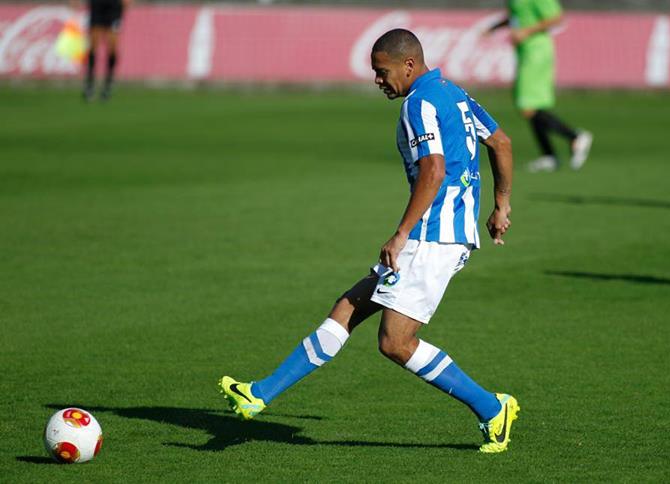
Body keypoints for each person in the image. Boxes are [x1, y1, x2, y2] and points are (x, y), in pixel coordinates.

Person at [218, 29, 519, 453]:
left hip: (432, 236)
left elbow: (433, 170)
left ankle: (491, 408)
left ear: (408, 65)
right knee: (349, 306)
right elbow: (501, 143)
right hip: (446, 231)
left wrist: (401, 233)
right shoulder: (455, 94)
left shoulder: (420, 102)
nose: (378, 80)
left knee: (395, 342)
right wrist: (501, 205)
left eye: (382, 71)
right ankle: (260, 393)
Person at [486, 0, 592, 171]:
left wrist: (526, 32)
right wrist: (496, 26)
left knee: (527, 106)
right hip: (525, 52)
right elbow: (518, 16)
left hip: (537, 52)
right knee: (531, 107)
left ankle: (574, 136)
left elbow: (556, 18)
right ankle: (549, 156)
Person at [81, 0, 130, 101]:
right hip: (97, 4)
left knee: (112, 46)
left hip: (114, 6)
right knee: (93, 45)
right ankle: (90, 83)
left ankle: (108, 83)